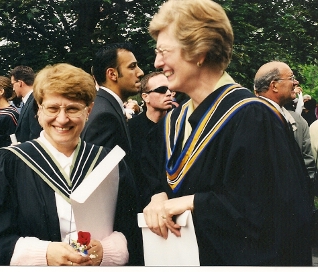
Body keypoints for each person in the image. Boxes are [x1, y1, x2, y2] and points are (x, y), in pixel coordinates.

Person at [141, 0, 312, 266]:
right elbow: (156, 178)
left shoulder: (253, 117)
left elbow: (268, 213)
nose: (157, 62)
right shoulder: (173, 121)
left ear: (200, 51)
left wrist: (192, 202)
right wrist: (158, 197)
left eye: (164, 51)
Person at [0, 63, 143, 266]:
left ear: (89, 111)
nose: (62, 119)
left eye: (73, 108)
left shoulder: (108, 163)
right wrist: (45, 254)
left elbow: (131, 231)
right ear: (39, 110)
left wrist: (105, 252)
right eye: (52, 108)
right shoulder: (10, 163)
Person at [255, 61, 316, 182]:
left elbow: (308, 168)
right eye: (291, 78)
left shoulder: (298, 121)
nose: (296, 82)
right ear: (274, 86)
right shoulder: (249, 117)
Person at [81, 43, 144, 156]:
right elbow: (102, 171)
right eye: (132, 66)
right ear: (112, 74)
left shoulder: (107, 106)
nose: (140, 73)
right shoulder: (104, 116)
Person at [128, 71, 172, 209]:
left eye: (170, 88)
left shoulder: (178, 125)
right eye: (161, 90)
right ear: (145, 97)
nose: (169, 93)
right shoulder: (131, 129)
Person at [10, 65, 42, 143]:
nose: (13, 89)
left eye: (13, 84)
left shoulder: (34, 103)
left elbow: (36, 135)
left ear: (20, 83)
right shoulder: (29, 101)